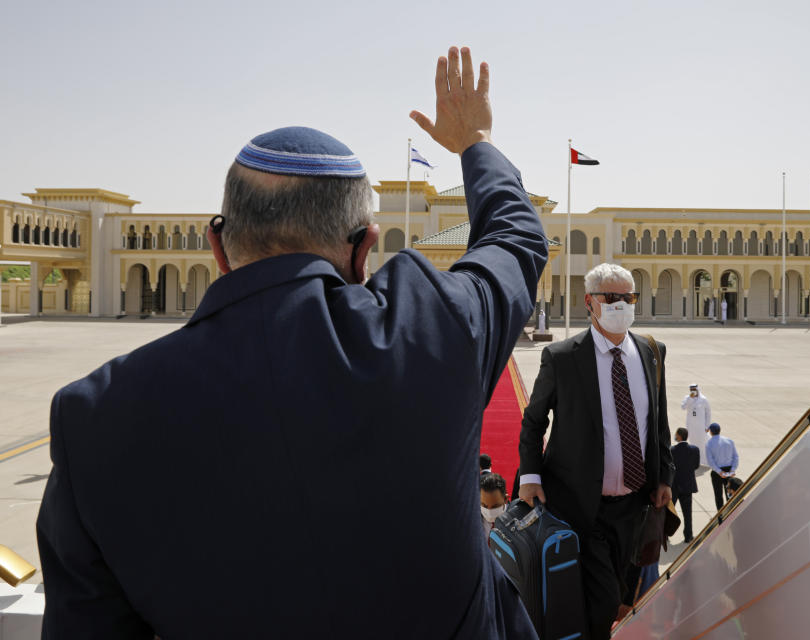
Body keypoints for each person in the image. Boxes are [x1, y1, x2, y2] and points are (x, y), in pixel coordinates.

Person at [36, 46, 548, 639]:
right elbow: (515, 238)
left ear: (217, 245)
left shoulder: (94, 415)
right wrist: (474, 142)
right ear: (363, 250)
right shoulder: (434, 327)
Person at [518, 263, 674, 640]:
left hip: (635, 507)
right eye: (612, 298)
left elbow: (659, 422)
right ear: (590, 303)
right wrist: (530, 476)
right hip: (581, 506)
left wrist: (664, 477)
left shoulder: (652, 352)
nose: (621, 305)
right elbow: (533, 420)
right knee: (603, 601)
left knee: (620, 597)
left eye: (628, 297)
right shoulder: (563, 358)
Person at [670, 427, 700, 543]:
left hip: (674, 486)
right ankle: (688, 536)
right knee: (687, 514)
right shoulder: (695, 449)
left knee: (669, 512)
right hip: (687, 485)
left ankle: (665, 535)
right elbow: (696, 466)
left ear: (679, 436)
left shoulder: (672, 450)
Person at [705, 422, 739, 511]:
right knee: (730, 494)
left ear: (711, 432)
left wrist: (719, 471)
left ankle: (720, 516)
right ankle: (731, 512)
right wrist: (732, 470)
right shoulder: (729, 441)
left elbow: (710, 461)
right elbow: (736, 457)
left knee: (718, 495)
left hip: (717, 473)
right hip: (729, 470)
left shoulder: (709, 443)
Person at [680, 383, 710, 454]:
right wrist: (690, 399)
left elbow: (708, 413)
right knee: (692, 441)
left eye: (694, 389)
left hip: (701, 425)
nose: (692, 391)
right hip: (691, 425)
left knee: (702, 442)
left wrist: (707, 426)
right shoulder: (687, 398)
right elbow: (683, 407)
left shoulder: (703, 399)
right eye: (691, 390)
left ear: (697, 389)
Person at [480, 472, 508, 538]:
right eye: (484, 506)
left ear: (505, 499)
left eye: (495, 506)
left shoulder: (517, 520)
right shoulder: (473, 519)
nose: (489, 512)